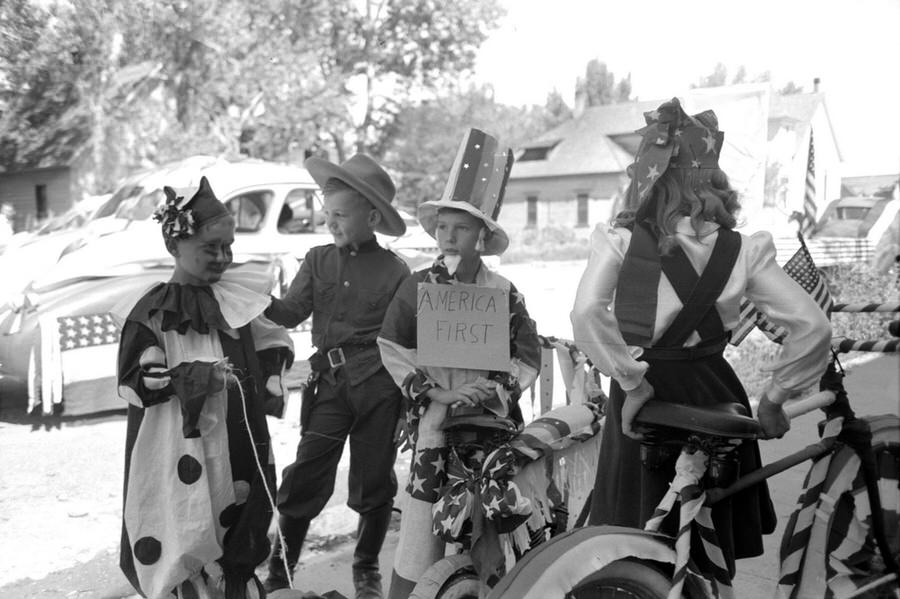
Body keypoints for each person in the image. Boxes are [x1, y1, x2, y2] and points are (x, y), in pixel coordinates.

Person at [570, 98, 832, 578]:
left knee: (638, 528)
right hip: (714, 389)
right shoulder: (744, 249)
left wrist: (631, 382)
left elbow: (586, 312)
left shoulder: (622, 242)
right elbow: (813, 325)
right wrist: (775, 397)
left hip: (646, 396)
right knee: (708, 528)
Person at [377, 128, 542, 599]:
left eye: (462, 227)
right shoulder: (415, 287)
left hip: (490, 420)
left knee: (490, 521)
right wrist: (437, 393)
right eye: (443, 227)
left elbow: (525, 351)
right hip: (435, 421)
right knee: (426, 522)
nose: (449, 236)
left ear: (482, 236)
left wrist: (498, 387)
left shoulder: (503, 291)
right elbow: (392, 345)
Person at [115, 176, 294, 598]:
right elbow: (137, 382)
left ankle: (235, 584)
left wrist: (269, 372)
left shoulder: (235, 299)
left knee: (239, 508)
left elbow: (273, 340)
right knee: (187, 518)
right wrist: (199, 377)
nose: (222, 257)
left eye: (228, 247)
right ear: (175, 246)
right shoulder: (152, 313)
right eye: (210, 248)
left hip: (236, 438)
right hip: (178, 444)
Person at [263, 153, 410, 599]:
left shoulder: (397, 271)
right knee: (306, 472)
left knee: (374, 478)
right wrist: (253, 299)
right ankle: (280, 567)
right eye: (328, 215)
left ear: (370, 216)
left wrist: (406, 405)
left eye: (341, 215)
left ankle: (366, 569)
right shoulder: (318, 260)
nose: (331, 223)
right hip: (328, 387)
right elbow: (289, 313)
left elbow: (406, 344)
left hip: (380, 389)